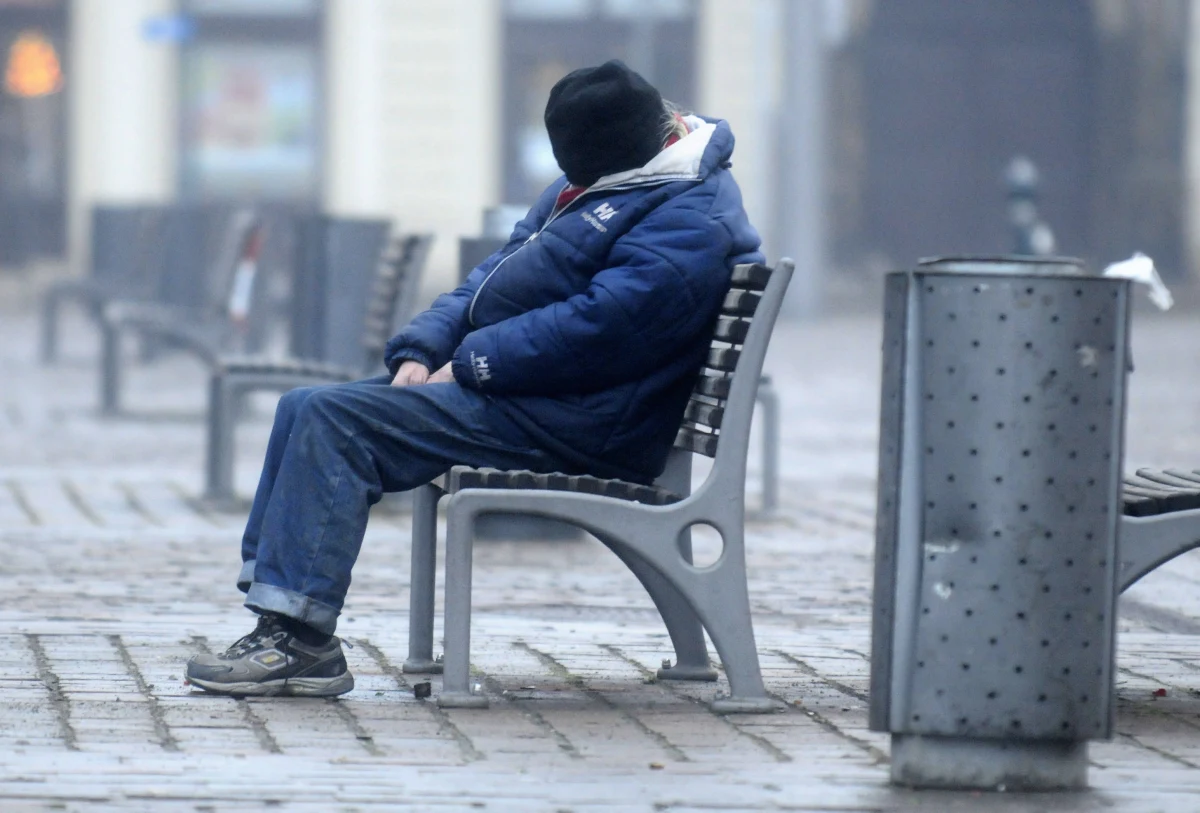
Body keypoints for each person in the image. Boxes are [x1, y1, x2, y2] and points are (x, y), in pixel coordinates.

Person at [185, 60, 764, 697]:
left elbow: (603, 327)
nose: (572, 181)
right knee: (304, 405)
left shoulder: (688, 214)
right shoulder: (613, 179)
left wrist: (468, 364)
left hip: (586, 422)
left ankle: (298, 640)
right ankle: (280, 615)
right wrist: (424, 345)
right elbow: (492, 277)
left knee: (335, 423)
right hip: (539, 396)